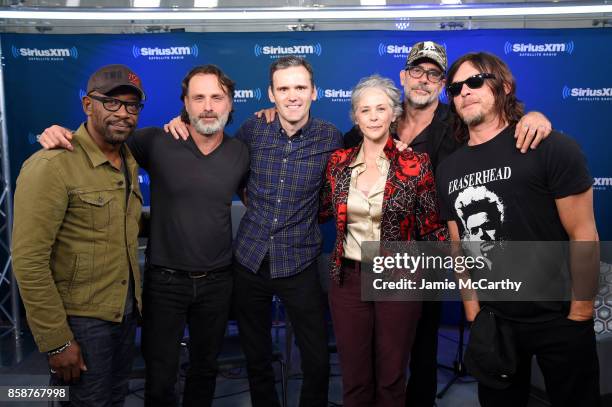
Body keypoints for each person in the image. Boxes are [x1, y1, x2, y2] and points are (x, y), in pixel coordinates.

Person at [256, 41, 554, 407]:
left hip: (411, 267)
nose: (424, 80)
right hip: (352, 273)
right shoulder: (346, 151)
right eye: (417, 71)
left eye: (433, 74)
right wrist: (271, 113)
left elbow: (495, 125)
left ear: (442, 84)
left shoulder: (456, 121)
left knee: (415, 358)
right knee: (360, 373)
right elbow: (324, 203)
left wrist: (532, 117)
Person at [37, 65, 250, 407]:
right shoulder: (154, 140)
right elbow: (96, 140)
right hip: (165, 283)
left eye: (217, 97)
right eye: (199, 97)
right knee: (160, 375)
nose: (208, 106)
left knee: (205, 370)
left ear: (230, 103)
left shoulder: (242, 151)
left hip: (218, 281)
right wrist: (56, 133)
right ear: (185, 103)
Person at [165, 56, 343, 407]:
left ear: (314, 92)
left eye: (300, 87)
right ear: (271, 94)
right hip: (249, 260)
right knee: (256, 357)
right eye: (284, 88)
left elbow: (335, 191)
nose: (292, 96)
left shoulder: (330, 137)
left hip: (300, 261)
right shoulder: (253, 129)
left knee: (317, 360)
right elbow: (221, 159)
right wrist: (180, 121)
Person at [436, 51, 600, 407]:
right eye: (456, 87)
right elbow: (458, 247)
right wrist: (474, 314)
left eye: (476, 81)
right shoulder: (448, 169)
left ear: (504, 86)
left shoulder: (550, 147)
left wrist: (580, 313)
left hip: (560, 318)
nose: (464, 91)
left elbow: (584, 234)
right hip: (495, 324)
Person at [12, 64, 145, 406]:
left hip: (123, 315)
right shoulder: (51, 165)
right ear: (88, 105)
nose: (124, 113)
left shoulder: (128, 159)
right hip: (81, 325)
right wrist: (56, 341)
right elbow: (28, 261)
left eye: (132, 106)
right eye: (112, 103)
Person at [319, 74, 448, 407]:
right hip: (348, 278)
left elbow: (432, 227)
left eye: (381, 108)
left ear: (394, 113)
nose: (374, 116)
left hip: (399, 276)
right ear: (355, 117)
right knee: (355, 378)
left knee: (391, 378)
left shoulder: (415, 164)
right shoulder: (337, 164)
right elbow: (319, 210)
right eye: (365, 110)